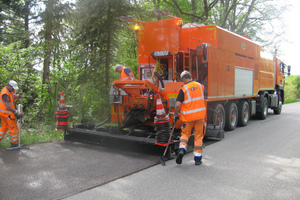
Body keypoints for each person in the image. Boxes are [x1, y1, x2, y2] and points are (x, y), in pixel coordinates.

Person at [174, 71, 206, 165]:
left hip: (188, 118)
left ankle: (182, 149)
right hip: (200, 116)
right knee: (199, 136)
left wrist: (176, 113)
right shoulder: (200, 86)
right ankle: (197, 159)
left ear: (184, 78)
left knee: (185, 135)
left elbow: (178, 104)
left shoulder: (184, 89)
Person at [0, 80, 23, 147]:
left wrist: (18, 96)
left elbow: (12, 96)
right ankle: (14, 144)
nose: (14, 90)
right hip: (8, 114)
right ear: (9, 86)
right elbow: (7, 106)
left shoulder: (8, 91)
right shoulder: (5, 93)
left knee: (4, 128)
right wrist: (16, 112)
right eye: (13, 88)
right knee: (14, 128)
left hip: (3, 114)